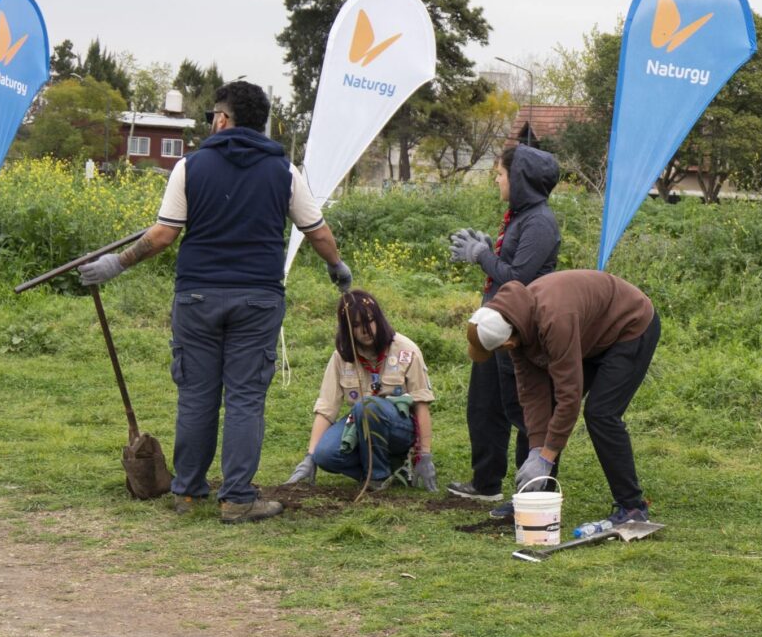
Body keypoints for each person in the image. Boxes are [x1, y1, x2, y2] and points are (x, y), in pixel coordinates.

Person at [79, 80, 350, 523]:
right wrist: (337, 268)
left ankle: (187, 492)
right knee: (245, 398)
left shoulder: (189, 167)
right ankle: (238, 500)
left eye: (213, 118)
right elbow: (316, 231)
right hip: (258, 299)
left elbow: (164, 234)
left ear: (223, 119)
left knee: (197, 395)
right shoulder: (284, 172)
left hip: (197, 297)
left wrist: (117, 264)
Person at [465, 269, 660, 531]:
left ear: (507, 342)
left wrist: (546, 456)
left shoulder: (554, 320)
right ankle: (536, 495)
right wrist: (537, 450)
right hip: (591, 334)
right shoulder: (516, 321)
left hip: (630, 326)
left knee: (601, 413)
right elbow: (533, 394)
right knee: (549, 412)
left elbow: (568, 395)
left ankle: (632, 506)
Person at [445, 143, 561, 502]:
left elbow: (517, 278)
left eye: (499, 174)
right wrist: (487, 250)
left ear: (519, 178)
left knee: (523, 409)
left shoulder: (539, 222)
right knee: (485, 405)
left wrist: (481, 257)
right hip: (493, 325)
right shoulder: (519, 216)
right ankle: (486, 482)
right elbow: (507, 265)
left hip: (518, 332)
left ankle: (531, 488)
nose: (496, 180)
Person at [281, 291, 438, 490]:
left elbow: (421, 403)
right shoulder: (341, 357)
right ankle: (390, 469)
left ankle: (377, 477)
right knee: (325, 455)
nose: (365, 330)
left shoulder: (406, 350)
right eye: (356, 325)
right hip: (360, 422)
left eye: (369, 320)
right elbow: (326, 408)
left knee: (368, 406)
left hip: (399, 428)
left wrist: (424, 455)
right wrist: (310, 457)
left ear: (378, 320)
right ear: (347, 329)